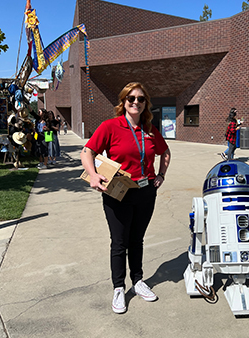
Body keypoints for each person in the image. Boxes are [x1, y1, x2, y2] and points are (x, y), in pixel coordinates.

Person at [80, 82, 171, 314]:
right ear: (123, 102)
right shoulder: (111, 126)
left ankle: (138, 281)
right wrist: (93, 175)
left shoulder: (150, 129)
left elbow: (165, 151)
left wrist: (160, 174)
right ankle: (119, 287)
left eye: (141, 99)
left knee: (137, 239)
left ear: (145, 104)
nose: (136, 102)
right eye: (131, 98)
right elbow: (87, 152)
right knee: (120, 242)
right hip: (118, 191)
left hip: (145, 191)